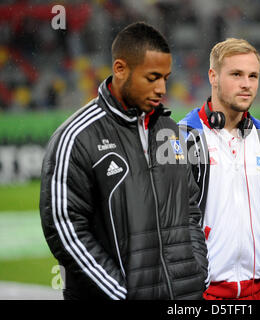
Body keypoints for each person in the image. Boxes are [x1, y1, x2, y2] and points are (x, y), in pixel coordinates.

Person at [39, 22, 208, 300]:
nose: (162, 88)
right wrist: (121, 293)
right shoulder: (76, 137)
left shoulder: (170, 131)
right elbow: (64, 227)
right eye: (152, 78)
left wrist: (195, 271)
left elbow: (189, 208)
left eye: (165, 78)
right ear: (120, 69)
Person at [179, 38, 260, 300]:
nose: (246, 84)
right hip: (202, 295)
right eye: (236, 74)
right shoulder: (180, 139)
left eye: (253, 75)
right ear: (213, 76)